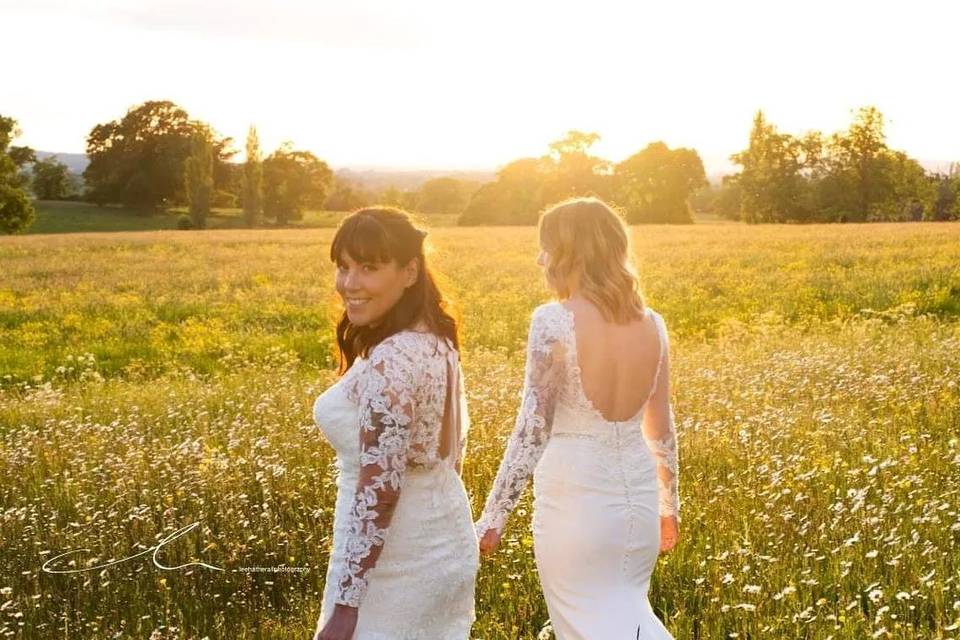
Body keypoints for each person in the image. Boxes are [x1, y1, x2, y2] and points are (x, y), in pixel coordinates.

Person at [474, 197, 680, 639]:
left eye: (546, 246)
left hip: (575, 507)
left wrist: (493, 516)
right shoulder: (653, 324)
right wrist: (668, 507)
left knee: (587, 627)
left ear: (570, 252)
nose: (539, 258)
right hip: (637, 504)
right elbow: (660, 428)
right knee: (627, 616)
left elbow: (531, 428)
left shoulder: (553, 321)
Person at [313, 207, 478, 640]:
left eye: (368, 268)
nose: (350, 284)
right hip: (442, 539)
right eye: (344, 267)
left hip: (394, 566)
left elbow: (380, 487)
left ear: (409, 272)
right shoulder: (435, 338)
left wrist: (348, 605)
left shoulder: (393, 357)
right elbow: (451, 449)